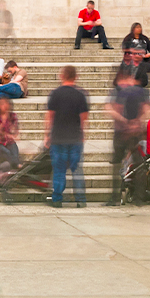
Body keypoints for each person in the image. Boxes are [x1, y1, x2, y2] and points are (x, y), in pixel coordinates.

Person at [43, 65, 89, 208]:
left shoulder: (55, 94)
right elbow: (84, 118)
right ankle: (81, 200)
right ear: (76, 77)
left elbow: (50, 117)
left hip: (58, 138)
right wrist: (82, 135)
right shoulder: (81, 95)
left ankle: (57, 199)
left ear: (61, 76)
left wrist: (47, 136)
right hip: (75, 138)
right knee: (77, 170)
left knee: (59, 170)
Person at [104, 67, 150, 204]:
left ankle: (115, 197)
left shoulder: (119, 91)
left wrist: (123, 121)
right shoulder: (141, 92)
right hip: (135, 132)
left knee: (117, 163)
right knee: (139, 164)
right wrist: (137, 122)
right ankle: (139, 198)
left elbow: (110, 108)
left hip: (120, 132)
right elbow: (147, 110)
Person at [119, 22, 150, 86]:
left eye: (140, 27)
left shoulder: (144, 38)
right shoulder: (128, 38)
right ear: (133, 29)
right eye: (137, 27)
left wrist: (149, 54)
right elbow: (126, 50)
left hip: (143, 58)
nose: (139, 29)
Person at [0, 97, 22, 171]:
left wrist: (11, 133)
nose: (5, 106)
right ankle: (17, 165)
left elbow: (15, 132)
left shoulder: (13, 116)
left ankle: (14, 165)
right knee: (7, 153)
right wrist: (3, 122)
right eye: (2, 104)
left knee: (14, 152)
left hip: (10, 142)